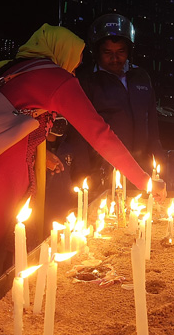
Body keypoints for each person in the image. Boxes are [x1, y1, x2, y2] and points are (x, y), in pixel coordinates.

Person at [0, 24, 162, 327]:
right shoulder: (55, 78)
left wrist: (41, 152)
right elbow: (100, 134)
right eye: (74, 62)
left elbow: (5, 124)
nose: (74, 70)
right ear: (62, 54)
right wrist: (145, 180)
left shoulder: (8, 68)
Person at [58, 13, 164, 200]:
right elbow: (78, 135)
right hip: (103, 175)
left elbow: (153, 128)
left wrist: (160, 168)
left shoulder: (141, 77)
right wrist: (82, 174)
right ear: (97, 52)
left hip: (141, 173)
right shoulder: (86, 81)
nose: (115, 58)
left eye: (121, 52)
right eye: (108, 53)